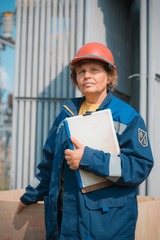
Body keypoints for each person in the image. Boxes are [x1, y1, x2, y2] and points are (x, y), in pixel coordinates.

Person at [17, 42, 154, 240]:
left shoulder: (127, 117)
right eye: (81, 71)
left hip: (106, 226)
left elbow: (139, 167)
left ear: (109, 76)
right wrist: (29, 195)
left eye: (94, 70)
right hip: (63, 224)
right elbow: (48, 166)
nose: (86, 75)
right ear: (75, 78)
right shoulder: (65, 116)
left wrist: (89, 159)